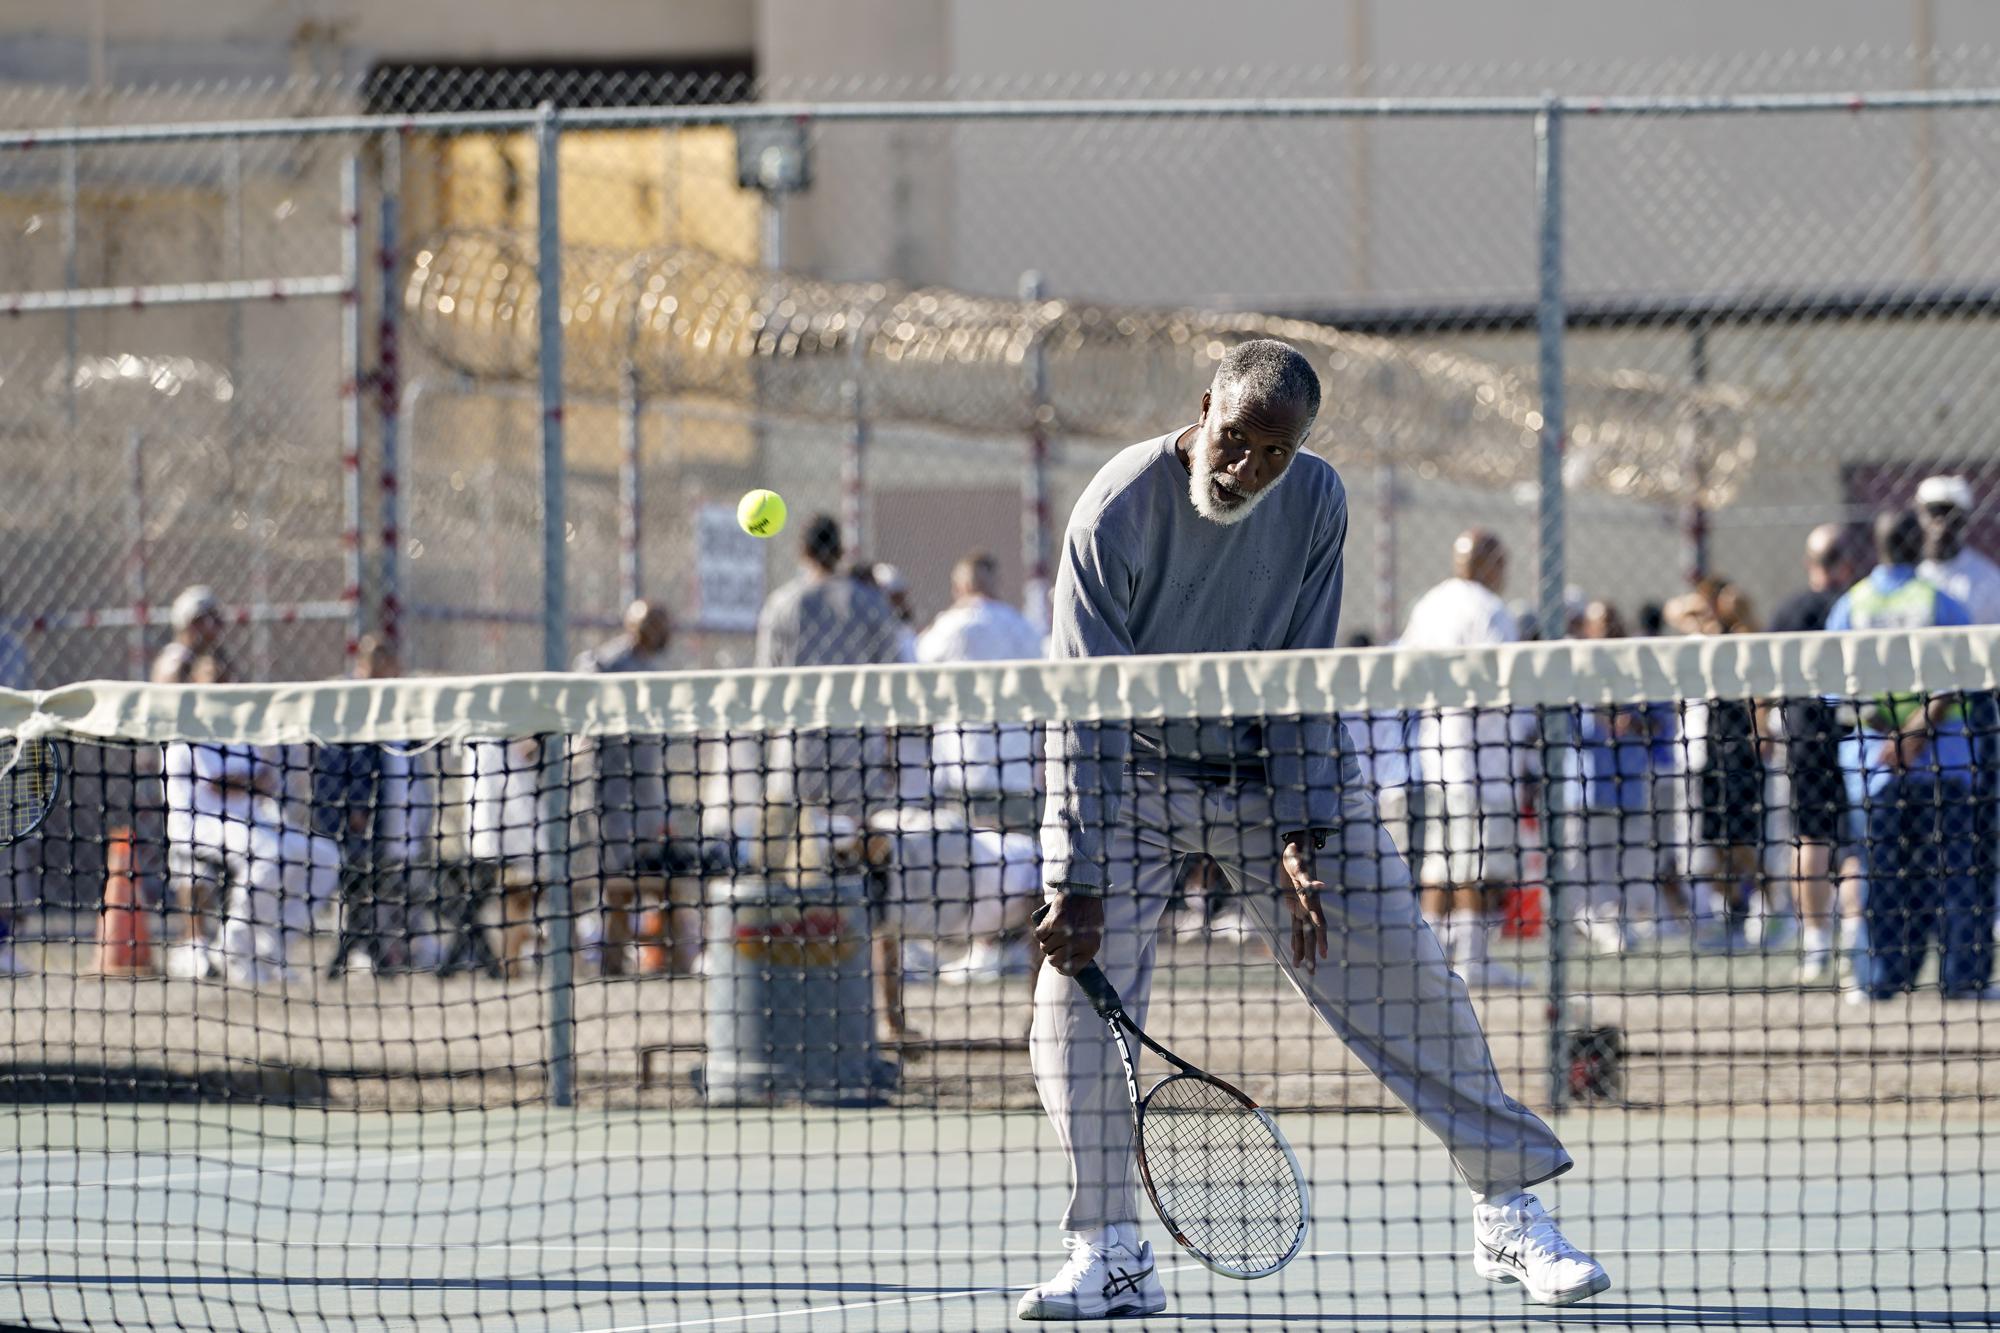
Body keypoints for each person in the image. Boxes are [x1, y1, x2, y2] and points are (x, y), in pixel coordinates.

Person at [1022, 339, 1605, 1320]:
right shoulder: (1113, 511)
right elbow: (1084, 710)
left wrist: (1299, 830)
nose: (1245, 468)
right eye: (1233, 440)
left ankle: (1506, 1209)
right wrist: (1072, 877)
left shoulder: (1318, 500)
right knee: (1069, 1005)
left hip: (1271, 772)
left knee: (1404, 971)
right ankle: (1108, 1249)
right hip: (1131, 778)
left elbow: (1299, 673)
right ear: (1203, 409)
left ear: (1299, 449)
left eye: (1271, 452)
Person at [1828, 508, 1994, 1002]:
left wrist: (1893, 737)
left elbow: (1836, 689)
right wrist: (1916, 734)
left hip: (1874, 768)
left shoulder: (1850, 606)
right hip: (1943, 765)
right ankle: (1962, 979)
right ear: (1916, 544)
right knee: (1956, 876)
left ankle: (1879, 980)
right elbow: (1964, 672)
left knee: (1881, 876)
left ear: (1876, 547)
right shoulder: (1940, 601)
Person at [1401, 530, 1537, 989]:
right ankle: (1473, 961)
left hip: (1438, 758)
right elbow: (1500, 687)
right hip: (1484, 765)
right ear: (1489, 563)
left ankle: (1432, 958)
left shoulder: (1430, 605)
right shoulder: (1491, 610)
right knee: (1476, 867)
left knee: (1441, 864)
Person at [571, 600, 704, 975]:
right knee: (617, 891)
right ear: (636, 628)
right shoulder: (605, 665)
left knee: (668, 888)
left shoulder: (657, 670)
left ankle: (676, 968)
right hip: (610, 803)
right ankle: (612, 970)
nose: (665, 633)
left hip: (650, 805)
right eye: (656, 625)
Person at [1768, 525, 1866, 982]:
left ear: (1811, 563)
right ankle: (1851, 940)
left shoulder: (1787, 610)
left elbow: (1761, 680)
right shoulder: (1855, 608)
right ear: (1845, 563)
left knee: (1812, 841)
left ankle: (1819, 944)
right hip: (1851, 735)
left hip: (1807, 739)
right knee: (1848, 843)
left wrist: (1762, 728)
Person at [313, 634, 442, 973]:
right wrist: (352, 806)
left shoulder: (400, 702)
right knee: (366, 882)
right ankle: (367, 949)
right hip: (366, 815)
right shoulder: (350, 701)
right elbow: (337, 762)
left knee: (404, 879)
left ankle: (400, 947)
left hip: (404, 807)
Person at [1669, 579, 1778, 951]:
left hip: (1741, 753)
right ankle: (1730, 915)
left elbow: (1761, 686)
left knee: (1744, 841)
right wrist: (1702, 612)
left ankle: (1769, 910)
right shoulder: (1703, 637)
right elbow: (1677, 611)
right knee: (1714, 843)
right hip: (1707, 753)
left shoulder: (1745, 636)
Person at [1567, 602, 1669, 954]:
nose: (1608, 630)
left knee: (1631, 860)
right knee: (1588, 860)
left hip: (1630, 785)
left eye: (1613, 623)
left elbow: (1661, 722)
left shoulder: (1639, 670)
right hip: (1587, 786)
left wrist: (1633, 723)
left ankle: (1621, 920)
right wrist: (1597, 721)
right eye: (1600, 624)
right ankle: (1594, 921)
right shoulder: (1574, 671)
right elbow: (1562, 726)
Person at [1915, 474, 2000, 623]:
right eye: (1933, 511)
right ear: (1919, 514)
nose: (1940, 522)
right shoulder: (1909, 573)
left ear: (1964, 519)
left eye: (1950, 513)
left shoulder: (1987, 580)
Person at [151, 585, 232, 685]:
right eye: (199, 620)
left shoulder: (218, 659)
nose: (210, 627)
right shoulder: (174, 661)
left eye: (215, 619)